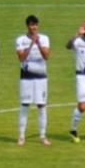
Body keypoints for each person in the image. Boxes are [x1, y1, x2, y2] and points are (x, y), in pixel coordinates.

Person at [15, 14, 52, 145]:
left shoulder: (44, 39)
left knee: (41, 105)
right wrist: (31, 43)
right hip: (26, 77)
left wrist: (39, 44)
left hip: (41, 77)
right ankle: (21, 135)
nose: (34, 27)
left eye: (35, 25)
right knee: (25, 105)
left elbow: (46, 56)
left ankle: (42, 135)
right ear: (27, 26)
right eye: (31, 25)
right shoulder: (21, 40)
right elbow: (21, 58)